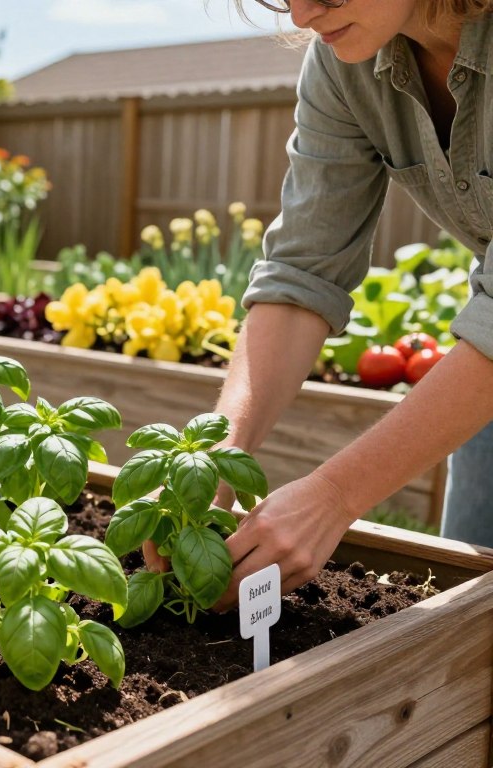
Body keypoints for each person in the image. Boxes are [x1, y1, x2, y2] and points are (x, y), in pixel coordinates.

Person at [145, 0, 493, 609]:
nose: (303, 15)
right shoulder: (346, 63)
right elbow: (303, 268)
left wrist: (333, 494)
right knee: (472, 622)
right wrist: (218, 450)